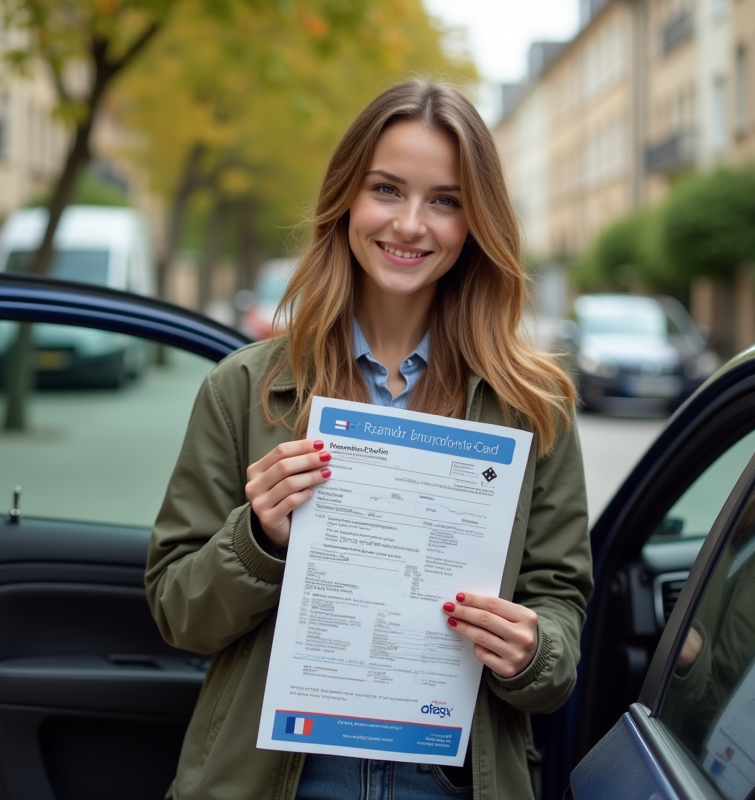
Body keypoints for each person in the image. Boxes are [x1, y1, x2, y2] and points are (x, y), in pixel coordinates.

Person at [145, 79, 593, 800]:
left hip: (445, 781)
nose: (411, 224)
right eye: (387, 189)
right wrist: (258, 539)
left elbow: (560, 608)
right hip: (276, 781)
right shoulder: (243, 388)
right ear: (346, 198)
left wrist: (533, 652)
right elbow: (177, 611)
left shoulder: (534, 407)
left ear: (475, 222)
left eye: (445, 200)